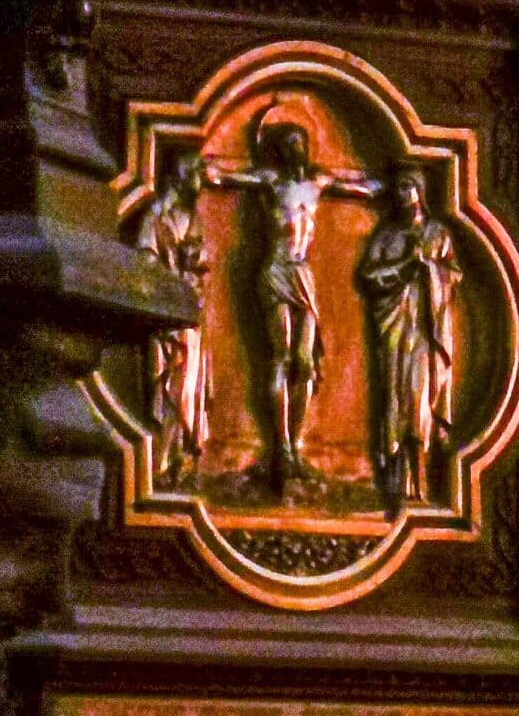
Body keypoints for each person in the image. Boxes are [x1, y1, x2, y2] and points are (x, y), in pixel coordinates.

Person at [208, 115, 379, 488]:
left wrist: (385, 187)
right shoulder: (272, 182)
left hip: (303, 274)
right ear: (279, 152)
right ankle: (281, 446)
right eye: (287, 144)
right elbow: (230, 177)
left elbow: (362, 188)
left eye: (299, 142)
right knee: (281, 355)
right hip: (275, 270)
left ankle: (295, 441)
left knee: (305, 362)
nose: (294, 150)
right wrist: (213, 171)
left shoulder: (318, 182)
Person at [359, 166, 461, 504]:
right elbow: (369, 277)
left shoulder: (437, 234)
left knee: (419, 399)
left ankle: (420, 482)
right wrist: (406, 265)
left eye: (408, 187)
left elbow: (453, 277)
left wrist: (429, 269)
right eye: (399, 187)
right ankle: (394, 480)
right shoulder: (386, 236)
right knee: (394, 399)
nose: (403, 193)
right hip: (394, 327)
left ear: (420, 191)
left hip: (426, 330)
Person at [138, 151, 211, 483]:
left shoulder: (192, 218)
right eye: (193, 172)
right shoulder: (155, 219)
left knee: (186, 389)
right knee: (171, 386)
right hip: (166, 314)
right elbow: (145, 260)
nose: (199, 180)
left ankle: (177, 456)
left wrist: (193, 270)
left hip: (190, 315)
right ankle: (161, 461)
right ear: (177, 178)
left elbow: (203, 264)